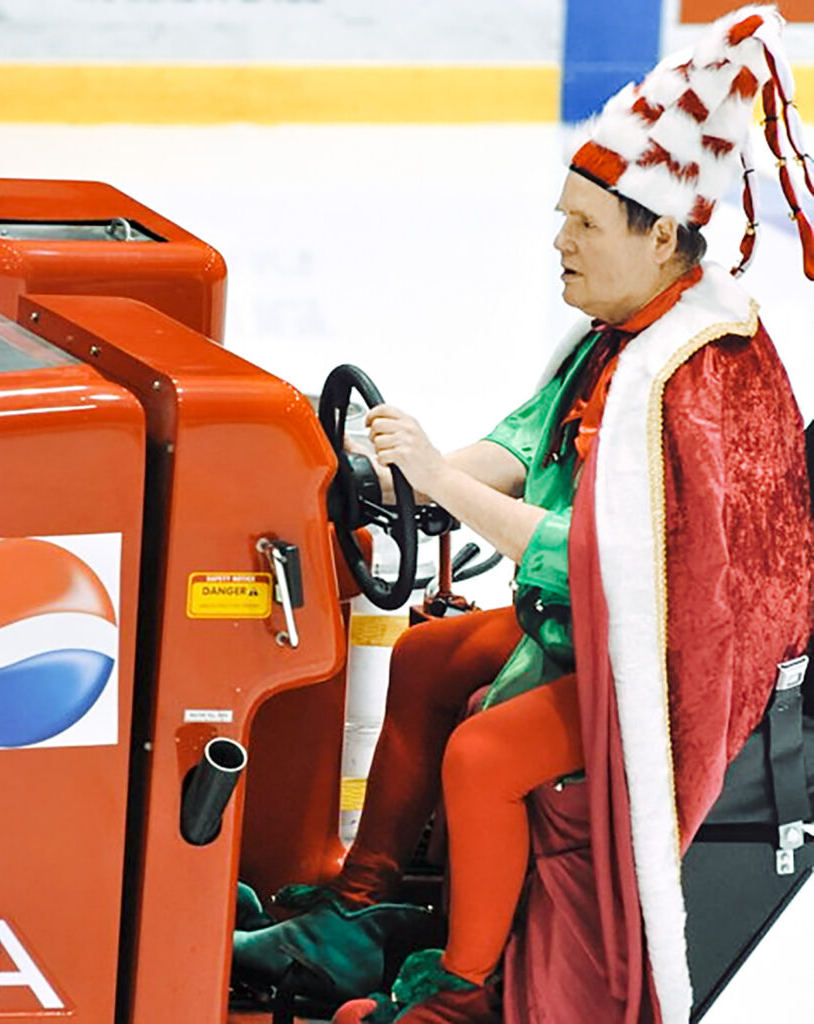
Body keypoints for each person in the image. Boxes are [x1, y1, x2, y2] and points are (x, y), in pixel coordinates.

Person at [232, 6, 813, 1022]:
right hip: (585, 626)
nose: (560, 241)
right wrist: (419, 479)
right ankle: (361, 908)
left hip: (657, 663)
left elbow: (618, 564)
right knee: (422, 662)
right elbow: (521, 443)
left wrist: (445, 490)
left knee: (488, 751)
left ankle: (464, 992)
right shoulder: (612, 342)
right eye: (563, 216)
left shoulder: (696, 379)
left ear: (663, 234)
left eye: (584, 225)